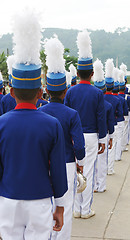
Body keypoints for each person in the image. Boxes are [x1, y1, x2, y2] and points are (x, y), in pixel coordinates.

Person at [0, 9, 68, 240]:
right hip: (40, 201)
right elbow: (58, 170)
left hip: (7, 200)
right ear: (40, 92)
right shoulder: (52, 124)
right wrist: (59, 205)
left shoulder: (1, 123)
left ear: (11, 92)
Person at [38, 36, 85, 240]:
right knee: (64, 208)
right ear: (66, 91)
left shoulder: (40, 111)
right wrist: (80, 164)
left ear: (47, 90)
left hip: (41, 165)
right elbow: (79, 145)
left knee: (45, 210)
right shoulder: (72, 114)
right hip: (66, 165)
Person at [65, 30, 106, 219]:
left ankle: (75, 209)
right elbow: (101, 118)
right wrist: (103, 138)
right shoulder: (97, 93)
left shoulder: (71, 92)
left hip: (74, 136)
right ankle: (85, 210)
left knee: (74, 172)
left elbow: (66, 116)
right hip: (91, 136)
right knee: (88, 171)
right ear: (91, 74)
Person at [93, 59, 114, 192]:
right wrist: (110, 136)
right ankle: (101, 186)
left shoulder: (92, 103)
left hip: (91, 133)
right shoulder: (108, 105)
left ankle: (94, 185)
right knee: (102, 161)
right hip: (103, 133)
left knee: (92, 163)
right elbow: (110, 122)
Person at [104, 59, 123, 174]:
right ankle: (110, 169)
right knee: (111, 148)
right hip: (114, 123)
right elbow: (120, 113)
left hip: (101, 126)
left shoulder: (100, 98)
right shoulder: (116, 99)